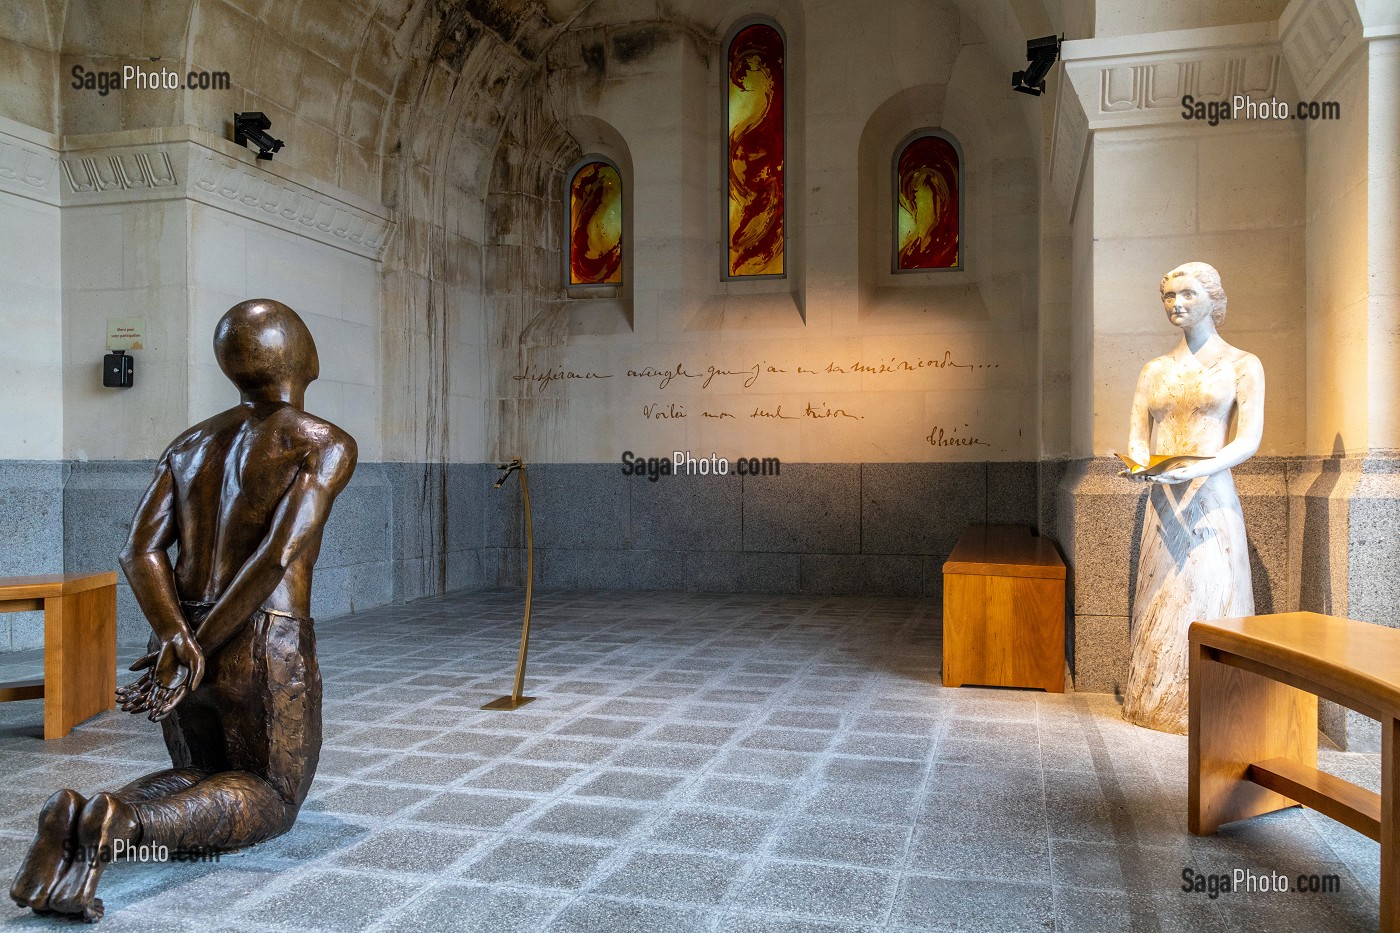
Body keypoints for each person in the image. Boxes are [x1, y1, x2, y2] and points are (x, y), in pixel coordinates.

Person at [9, 299, 356, 922]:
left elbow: (138, 549)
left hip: (178, 636)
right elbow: (279, 554)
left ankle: (83, 817)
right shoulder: (322, 442)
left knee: (198, 769)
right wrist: (204, 643)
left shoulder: (192, 443)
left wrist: (177, 633)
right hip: (262, 637)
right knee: (271, 795)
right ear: (307, 360)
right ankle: (119, 824)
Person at [1119, 262, 1264, 734]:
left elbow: (1247, 440)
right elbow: (1139, 434)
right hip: (1162, 497)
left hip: (1212, 493)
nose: (1176, 304)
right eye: (1169, 296)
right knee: (1162, 592)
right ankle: (1154, 699)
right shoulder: (1154, 370)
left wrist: (1201, 467)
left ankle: (1217, 706)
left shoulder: (1243, 364)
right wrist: (1140, 465)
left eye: (1188, 294)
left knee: (1211, 592)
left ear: (1213, 301)